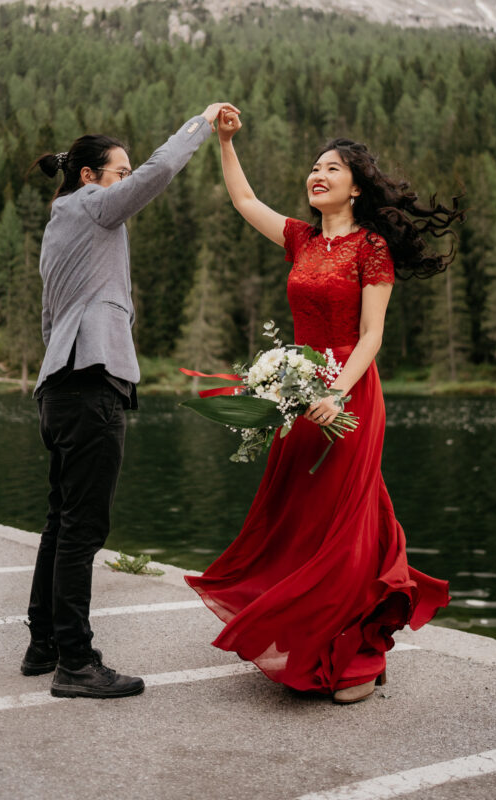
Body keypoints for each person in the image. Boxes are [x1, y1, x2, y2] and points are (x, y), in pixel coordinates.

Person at [185, 111, 463, 704]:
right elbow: (243, 199)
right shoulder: (302, 239)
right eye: (314, 167)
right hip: (298, 388)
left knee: (347, 522)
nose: (317, 174)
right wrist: (226, 142)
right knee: (303, 515)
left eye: (331, 168)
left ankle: (358, 657)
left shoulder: (372, 247)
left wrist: (336, 391)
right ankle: (327, 637)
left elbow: (371, 334)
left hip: (349, 389)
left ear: (355, 186)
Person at [22, 102, 238, 699]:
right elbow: (158, 172)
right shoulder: (93, 207)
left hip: (60, 385)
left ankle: (43, 645)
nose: (127, 178)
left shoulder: (60, 221)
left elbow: (48, 320)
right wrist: (199, 122)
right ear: (91, 176)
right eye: (119, 170)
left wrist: (65, 365)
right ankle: (75, 662)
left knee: (60, 522)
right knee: (83, 529)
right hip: (91, 385)